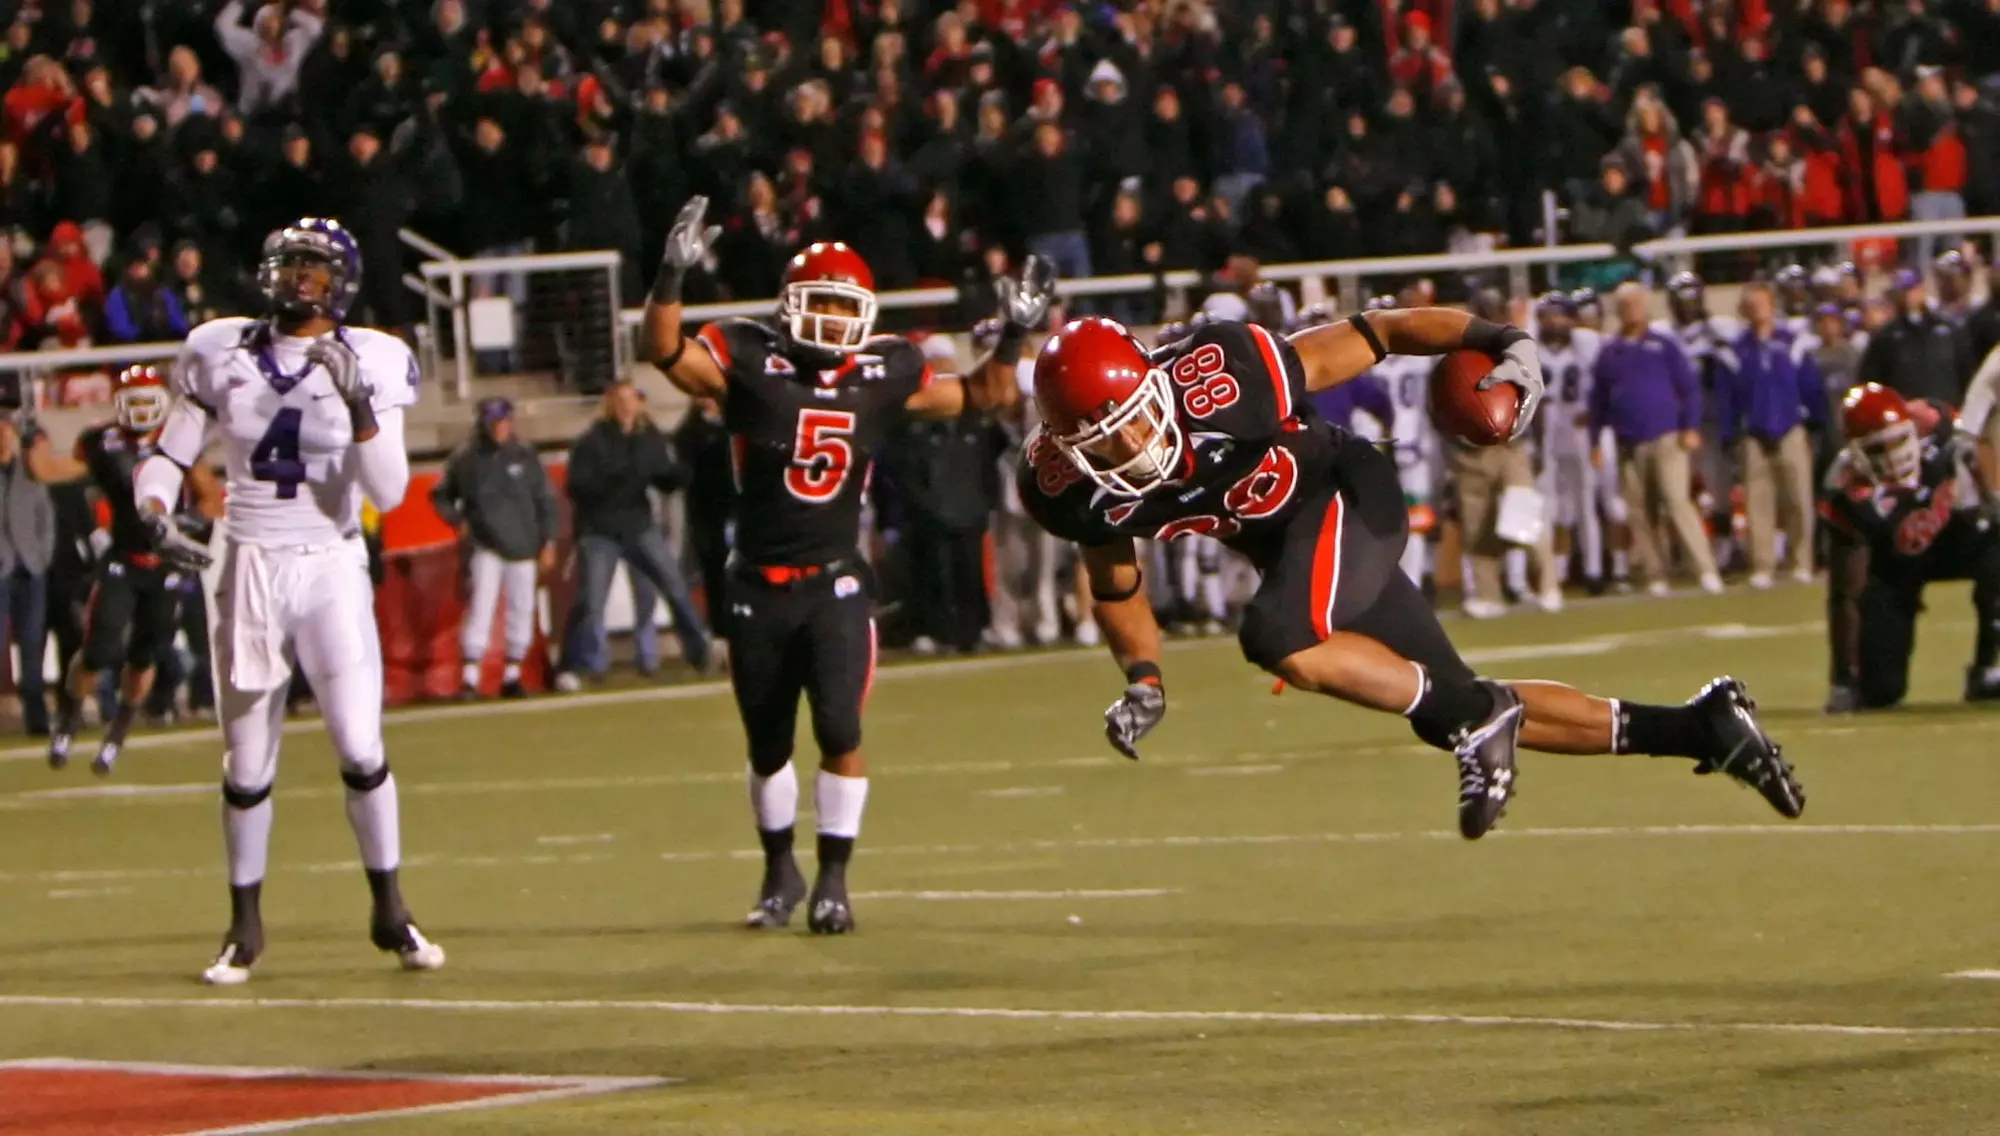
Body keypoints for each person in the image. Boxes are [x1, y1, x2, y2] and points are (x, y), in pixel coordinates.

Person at [1018, 310, 1803, 843]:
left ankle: (1481, 717)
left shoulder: (1223, 371)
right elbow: (1115, 580)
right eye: (1103, 445)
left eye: (1133, 426)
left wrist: (1501, 338)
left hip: (1347, 497)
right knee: (1450, 709)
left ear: (1158, 385)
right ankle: (1702, 727)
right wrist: (1145, 678)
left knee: (1278, 635)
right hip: (1300, 553)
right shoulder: (1069, 486)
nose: (1130, 453)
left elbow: (1379, 330)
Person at [640, 196, 1041, 934]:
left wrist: (1015, 332)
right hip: (756, 581)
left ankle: (833, 877)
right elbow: (663, 350)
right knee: (766, 745)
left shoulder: (883, 371)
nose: (827, 320)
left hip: (836, 582)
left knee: (839, 726)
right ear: (788, 307)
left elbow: (987, 395)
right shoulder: (748, 361)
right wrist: (670, 274)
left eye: (839, 306)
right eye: (815, 304)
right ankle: (776, 868)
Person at [132, 217, 446, 984]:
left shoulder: (374, 355)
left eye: (312, 267)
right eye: (289, 264)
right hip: (248, 564)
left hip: (331, 562)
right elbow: (172, 450)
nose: (297, 279)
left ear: (340, 280)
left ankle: (392, 909)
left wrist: (361, 406)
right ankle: (243, 926)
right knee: (246, 761)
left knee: (360, 746)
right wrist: (153, 509)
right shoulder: (219, 348)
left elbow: (389, 491)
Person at [49, 367, 222, 772]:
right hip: (123, 559)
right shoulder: (99, 442)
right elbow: (59, 471)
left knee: (145, 655)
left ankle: (117, 735)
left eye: (149, 402)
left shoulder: (178, 443)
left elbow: (212, 498)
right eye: (135, 402)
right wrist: (32, 448)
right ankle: (68, 720)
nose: (143, 412)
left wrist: (187, 523)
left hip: (166, 564)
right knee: (99, 648)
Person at [1822, 384, 2000, 711]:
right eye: (1880, 448)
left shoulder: (1937, 427)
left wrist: (1990, 500)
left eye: (1899, 440)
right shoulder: (1847, 495)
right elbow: (1843, 592)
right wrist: (1843, 679)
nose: (1895, 454)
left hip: (1953, 538)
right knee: (1881, 692)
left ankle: (1987, 667)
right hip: (1894, 569)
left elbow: (1973, 446)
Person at [432, 397, 558, 700]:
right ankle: (470, 676)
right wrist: (458, 520)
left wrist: (548, 540)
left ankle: (512, 674)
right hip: (485, 544)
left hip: (524, 544)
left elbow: (545, 501)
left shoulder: (525, 455)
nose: (500, 427)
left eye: (503, 421)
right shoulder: (466, 458)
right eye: (494, 422)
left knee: (522, 609)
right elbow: (440, 495)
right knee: (482, 607)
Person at [1532, 291, 1620, 590]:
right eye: (1549, 315)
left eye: (1561, 315)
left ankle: (1594, 571)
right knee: (1548, 505)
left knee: (1586, 500)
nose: (1555, 321)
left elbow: (1608, 381)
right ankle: (1552, 573)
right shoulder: (1527, 345)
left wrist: (1595, 412)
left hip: (1578, 431)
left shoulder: (1588, 342)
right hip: (1542, 433)